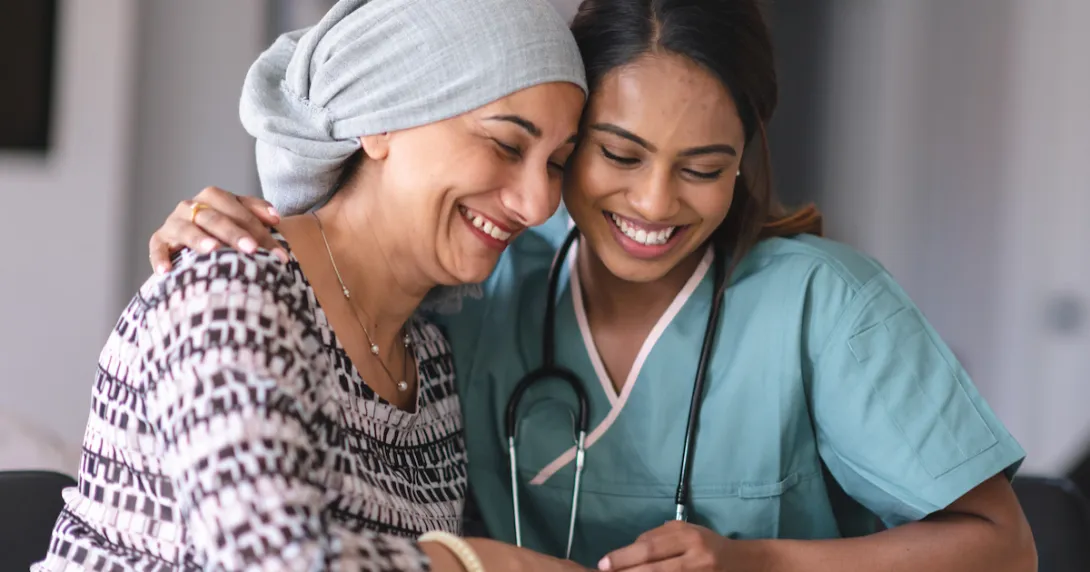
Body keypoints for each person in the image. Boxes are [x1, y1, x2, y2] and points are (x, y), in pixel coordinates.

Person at [146, 0, 1038, 571]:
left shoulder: (825, 306)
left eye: (705, 167)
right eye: (613, 154)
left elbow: (1004, 547)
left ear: (744, 167)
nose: (654, 202)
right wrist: (241, 235)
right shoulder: (477, 292)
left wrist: (755, 563)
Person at [35, 0, 591, 570]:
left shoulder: (430, 359)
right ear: (381, 118)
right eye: (505, 145)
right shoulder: (231, 293)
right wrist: (488, 564)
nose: (538, 203)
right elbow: (267, 559)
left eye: (555, 164)